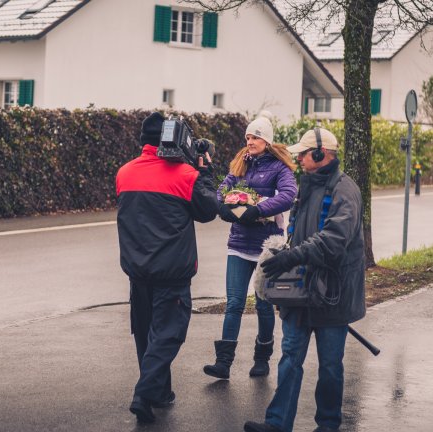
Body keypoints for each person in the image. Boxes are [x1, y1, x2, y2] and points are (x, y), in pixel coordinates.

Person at [243, 128, 366, 432]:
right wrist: (281, 254)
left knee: (329, 367)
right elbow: (300, 233)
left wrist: (293, 257)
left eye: (303, 153)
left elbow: (335, 239)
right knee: (289, 359)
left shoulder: (345, 190)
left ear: (321, 155)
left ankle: (327, 425)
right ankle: (277, 424)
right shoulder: (306, 186)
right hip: (300, 293)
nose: (297, 158)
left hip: (333, 294)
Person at [116, 112, 218, 424]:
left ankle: (160, 393)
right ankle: (144, 393)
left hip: (137, 271)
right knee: (168, 333)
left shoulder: (125, 173)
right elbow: (209, 210)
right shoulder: (185, 175)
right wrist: (207, 171)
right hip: (172, 272)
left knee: (147, 334)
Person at [203, 116, 297, 380]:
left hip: (266, 245)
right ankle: (223, 363)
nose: (249, 141)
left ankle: (262, 358)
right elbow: (224, 188)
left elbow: (288, 195)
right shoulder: (241, 164)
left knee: (264, 305)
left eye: (254, 137)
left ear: (266, 141)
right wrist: (224, 205)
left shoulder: (280, 168)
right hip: (239, 243)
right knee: (234, 303)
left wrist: (257, 209)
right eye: (247, 137)